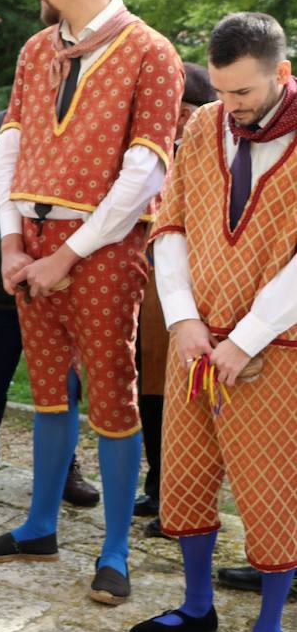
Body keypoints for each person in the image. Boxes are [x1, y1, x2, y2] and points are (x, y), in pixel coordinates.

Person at [0, 0, 182, 607]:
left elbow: (147, 170)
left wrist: (69, 252)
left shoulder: (153, 53)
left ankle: (114, 550)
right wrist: (8, 239)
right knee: (49, 387)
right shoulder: (37, 49)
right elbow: (12, 144)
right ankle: (38, 525)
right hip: (29, 242)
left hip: (105, 249)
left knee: (113, 392)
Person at [128, 12, 297, 632]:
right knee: (186, 476)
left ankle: (269, 630)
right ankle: (198, 606)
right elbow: (169, 224)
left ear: (282, 75)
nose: (231, 107)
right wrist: (186, 323)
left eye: (245, 94)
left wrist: (247, 338)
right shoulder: (204, 126)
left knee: (271, 494)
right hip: (196, 338)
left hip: (277, 346)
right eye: (223, 92)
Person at [0, 109, 99, 506]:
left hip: (65, 283)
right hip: (3, 287)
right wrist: (1, 255)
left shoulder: (85, 125)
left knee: (66, 381)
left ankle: (64, 465)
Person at [135, 62, 215, 529]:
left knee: (186, 400)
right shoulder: (150, 148)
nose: (180, 119)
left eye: (188, 110)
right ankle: (157, 487)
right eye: (174, 110)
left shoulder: (213, 152)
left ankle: (183, 501)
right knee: (150, 392)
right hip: (149, 288)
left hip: (196, 291)